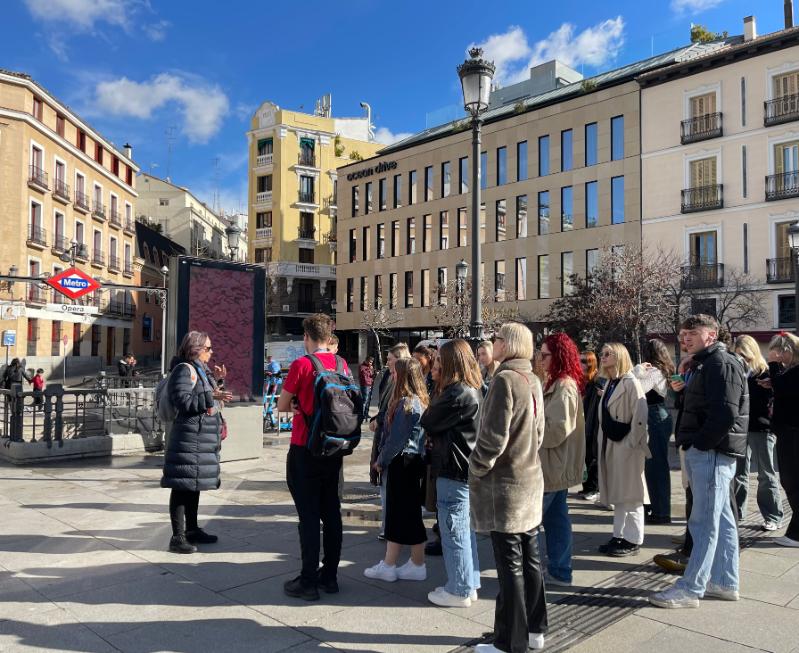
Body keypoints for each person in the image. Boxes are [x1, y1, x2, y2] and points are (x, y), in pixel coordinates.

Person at [650, 314, 748, 608]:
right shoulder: (705, 364)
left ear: (712, 335)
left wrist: (700, 444)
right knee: (722, 520)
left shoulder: (720, 363)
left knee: (703, 522)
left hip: (712, 452)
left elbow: (726, 414)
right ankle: (724, 582)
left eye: (692, 332)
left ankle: (691, 588)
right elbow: (704, 407)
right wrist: (684, 391)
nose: (685, 338)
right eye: (682, 333)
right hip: (709, 450)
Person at [470, 322, 548, 653]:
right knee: (529, 558)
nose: (493, 342)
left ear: (509, 344)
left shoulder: (504, 379)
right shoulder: (531, 378)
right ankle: (534, 629)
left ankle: (510, 642)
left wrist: (476, 467)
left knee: (510, 565)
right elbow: (539, 431)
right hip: (529, 478)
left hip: (505, 486)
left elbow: (492, 437)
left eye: (497, 338)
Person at [279, 314, 351, 600]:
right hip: (334, 446)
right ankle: (330, 576)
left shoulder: (302, 364)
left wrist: (297, 403)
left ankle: (307, 580)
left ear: (306, 337)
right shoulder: (343, 363)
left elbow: (282, 405)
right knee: (331, 511)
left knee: (308, 516)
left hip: (304, 447)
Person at [421, 339, 482, 607]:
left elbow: (428, 419)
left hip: (454, 469)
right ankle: (469, 584)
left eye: (439, 361)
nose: (435, 365)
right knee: (463, 531)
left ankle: (458, 589)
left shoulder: (457, 393)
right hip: (463, 469)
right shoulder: (471, 389)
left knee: (454, 531)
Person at [161, 331, 231, 555]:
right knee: (182, 487)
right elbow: (182, 401)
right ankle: (177, 537)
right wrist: (213, 397)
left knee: (193, 485)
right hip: (188, 437)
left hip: (199, 438)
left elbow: (205, 396)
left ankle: (192, 530)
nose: (211, 352)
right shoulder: (184, 369)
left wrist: (218, 382)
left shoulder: (202, 370)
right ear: (196, 349)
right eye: (208, 348)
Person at [365, 357, 430, 582]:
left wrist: (380, 461)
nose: (392, 375)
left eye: (395, 372)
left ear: (403, 376)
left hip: (402, 464)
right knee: (410, 515)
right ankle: (416, 563)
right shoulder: (417, 401)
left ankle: (390, 564)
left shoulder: (406, 404)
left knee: (396, 514)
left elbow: (395, 441)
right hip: (411, 463)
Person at [538, 333, 585, 588]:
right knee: (557, 520)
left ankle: (550, 571)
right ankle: (559, 570)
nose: (540, 359)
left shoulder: (564, 386)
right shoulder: (555, 383)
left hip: (552, 464)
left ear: (558, 356)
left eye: (545, 355)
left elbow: (556, 430)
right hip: (553, 464)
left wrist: (530, 431)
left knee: (535, 522)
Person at [596, 342, 650, 557]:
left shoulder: (630, 382)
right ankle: (619, 535)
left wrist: (631, 443)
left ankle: (633, 538)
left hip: (626, 445)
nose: (603, 357)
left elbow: (640, 414)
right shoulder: (611, 382)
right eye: (602, 353)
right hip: (611, 443)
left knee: (631, 494)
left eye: (608, 354)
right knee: (619, 493)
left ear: (619, 356)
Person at [732, 335, 783, 531]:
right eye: (737, 355)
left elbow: (775, 399)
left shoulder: (765, 372)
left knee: (766, 474)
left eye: (743, 355)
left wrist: (771, 386)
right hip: (740, 428)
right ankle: (737, 512)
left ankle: (773, 516)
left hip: (761, 428)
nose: (740, 359)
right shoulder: (737, 372)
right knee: (738, 474)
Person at [370, 344, 411, 540]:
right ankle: (390, 527)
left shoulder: (405, 393)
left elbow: (396, 430)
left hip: (396, 451)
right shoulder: (387, 377)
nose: (387, 363)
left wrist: (382, 458)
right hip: (385, 440)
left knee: (392, 493)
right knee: (387, 490)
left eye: (390, 359)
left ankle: (391, 529)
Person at [634, 339, 675, 525]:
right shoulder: (659, 370)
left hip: (655, 416)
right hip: (656, 414)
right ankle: (655, 507)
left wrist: (637, 371)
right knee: (652, 466)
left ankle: (661, 511)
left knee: (656, 466)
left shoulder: (655, 371)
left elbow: (638, 389)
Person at [765, 331, 799, 547]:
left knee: (792, 480)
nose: (776, 356)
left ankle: (796, 534)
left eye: (778, 352)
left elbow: (785, 388)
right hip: (789, 431)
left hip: (793, 432)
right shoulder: (791, 372)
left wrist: (774, 367)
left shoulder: (792, 371)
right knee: (790, 480)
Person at [579, 351, 601, 501]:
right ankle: (586, 486)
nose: (580, 363)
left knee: (592, 456)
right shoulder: (582, 380)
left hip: (592, 423)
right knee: (584, 456)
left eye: (583, 361)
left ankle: (593, 488)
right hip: (583, 420)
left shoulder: (596, 381)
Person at [358, 357, 375, 423]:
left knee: (369, 400)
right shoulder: (362, 367)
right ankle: (362, 415)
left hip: (370, 384)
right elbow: (365, 377)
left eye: (371, 362)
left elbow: (372, 375)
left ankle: (366, 414)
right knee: (364, 401)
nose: (370, 363)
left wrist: (374, 372)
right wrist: (370, 370)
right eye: (369, 362)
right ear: (366, 360)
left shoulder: (370, 367)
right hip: (365, 385)